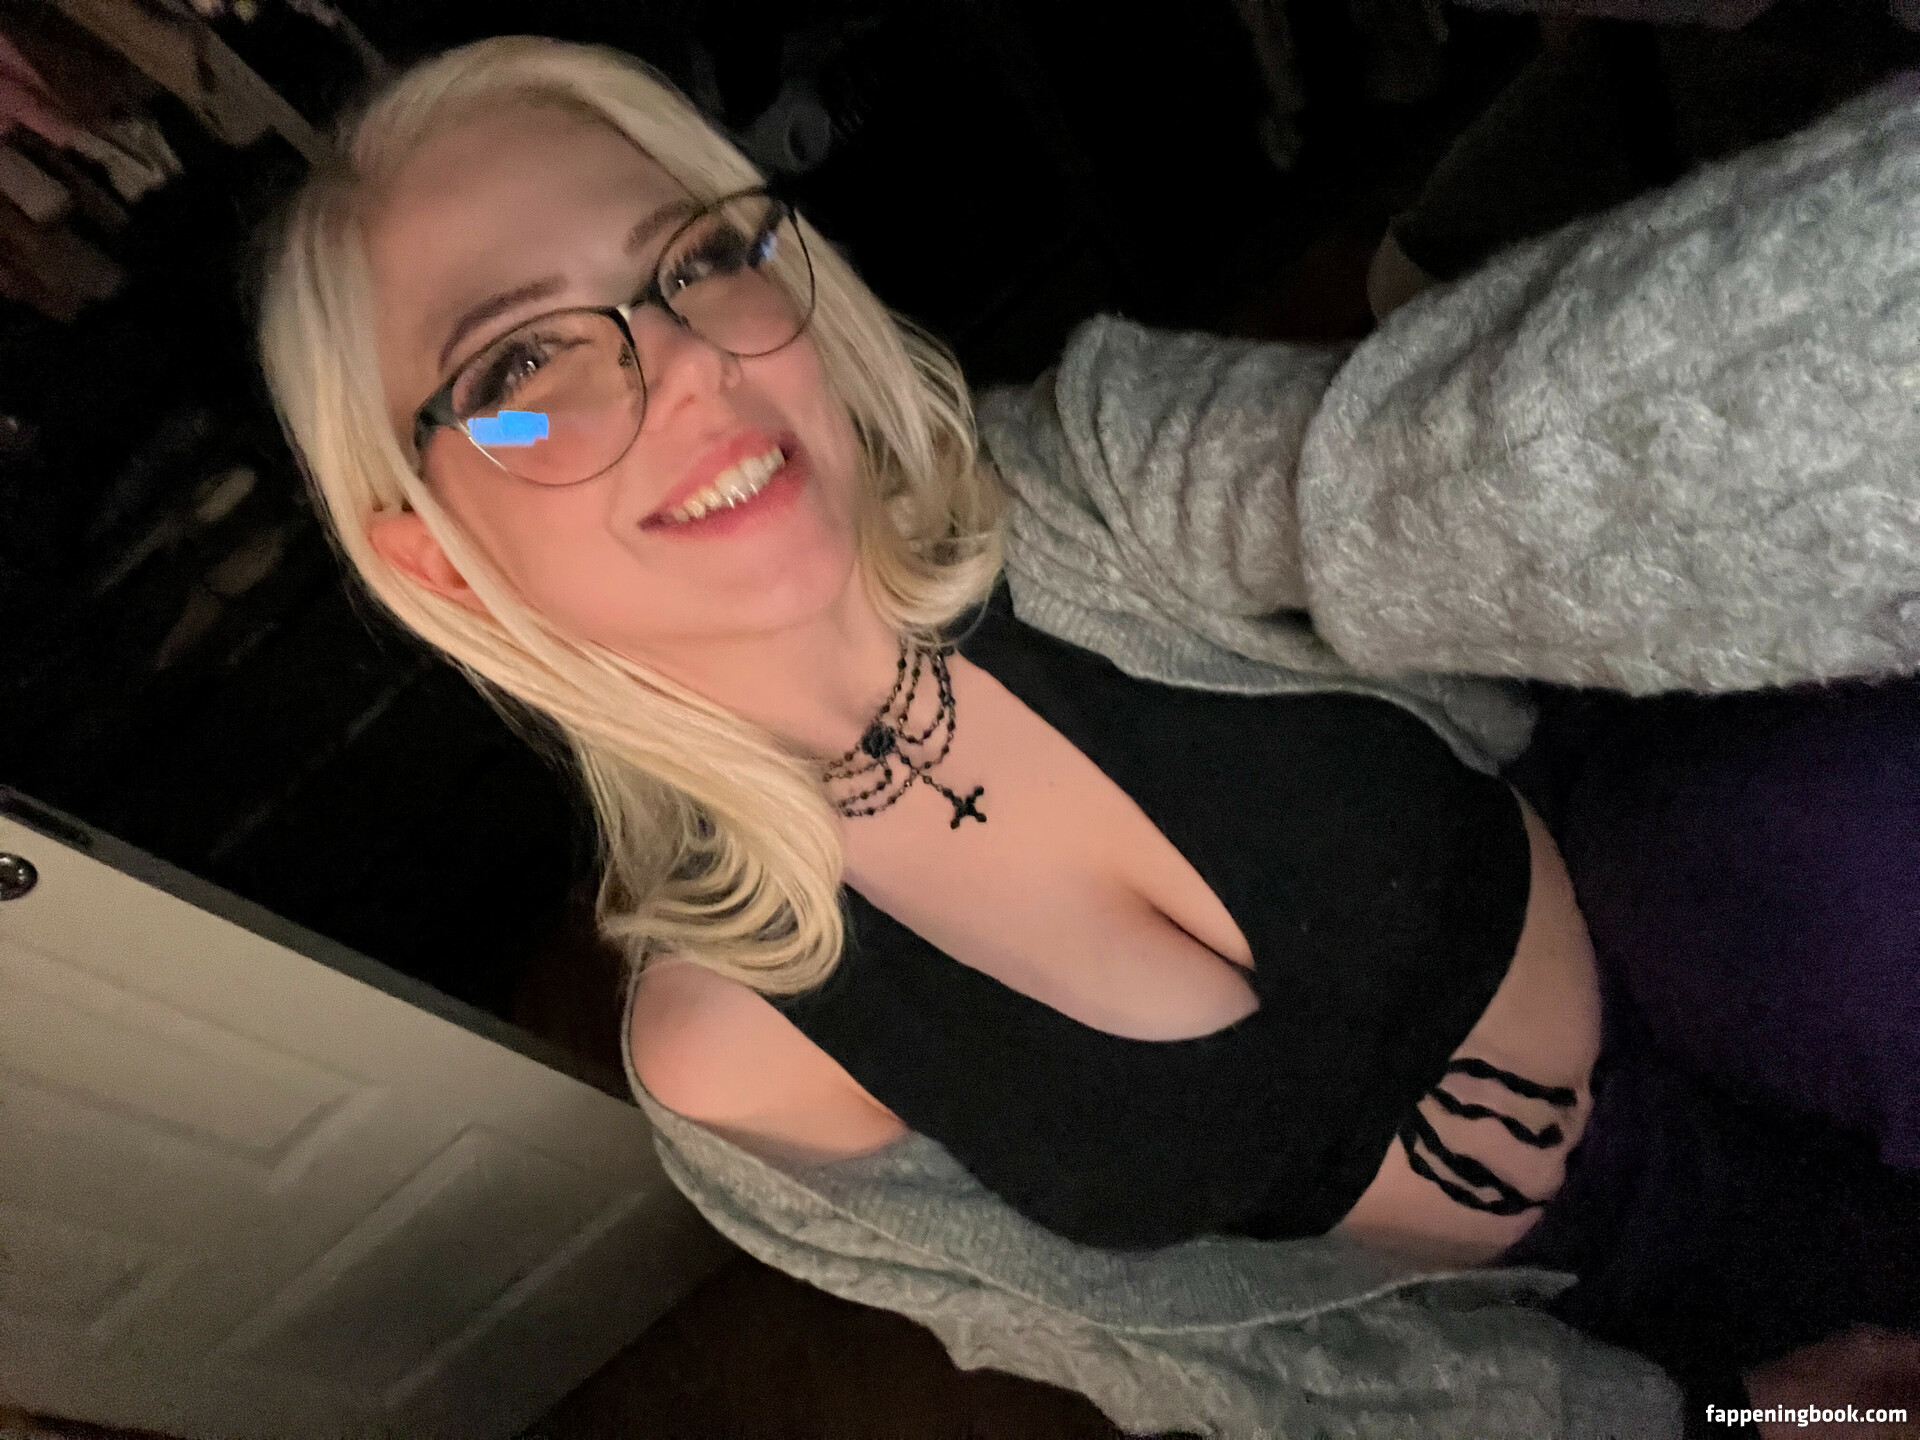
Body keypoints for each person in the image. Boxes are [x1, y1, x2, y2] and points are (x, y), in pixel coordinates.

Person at [254, 34, 1920, 1433]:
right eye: (522, 364)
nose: (687, 366)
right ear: (431, 553)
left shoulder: (1087, 480)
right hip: (1630, 1326)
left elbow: (1514, 450)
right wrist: (1722, 1420)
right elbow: (1248, 1374)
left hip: (1732, 926)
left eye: (694, 262)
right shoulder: (737, 1064)